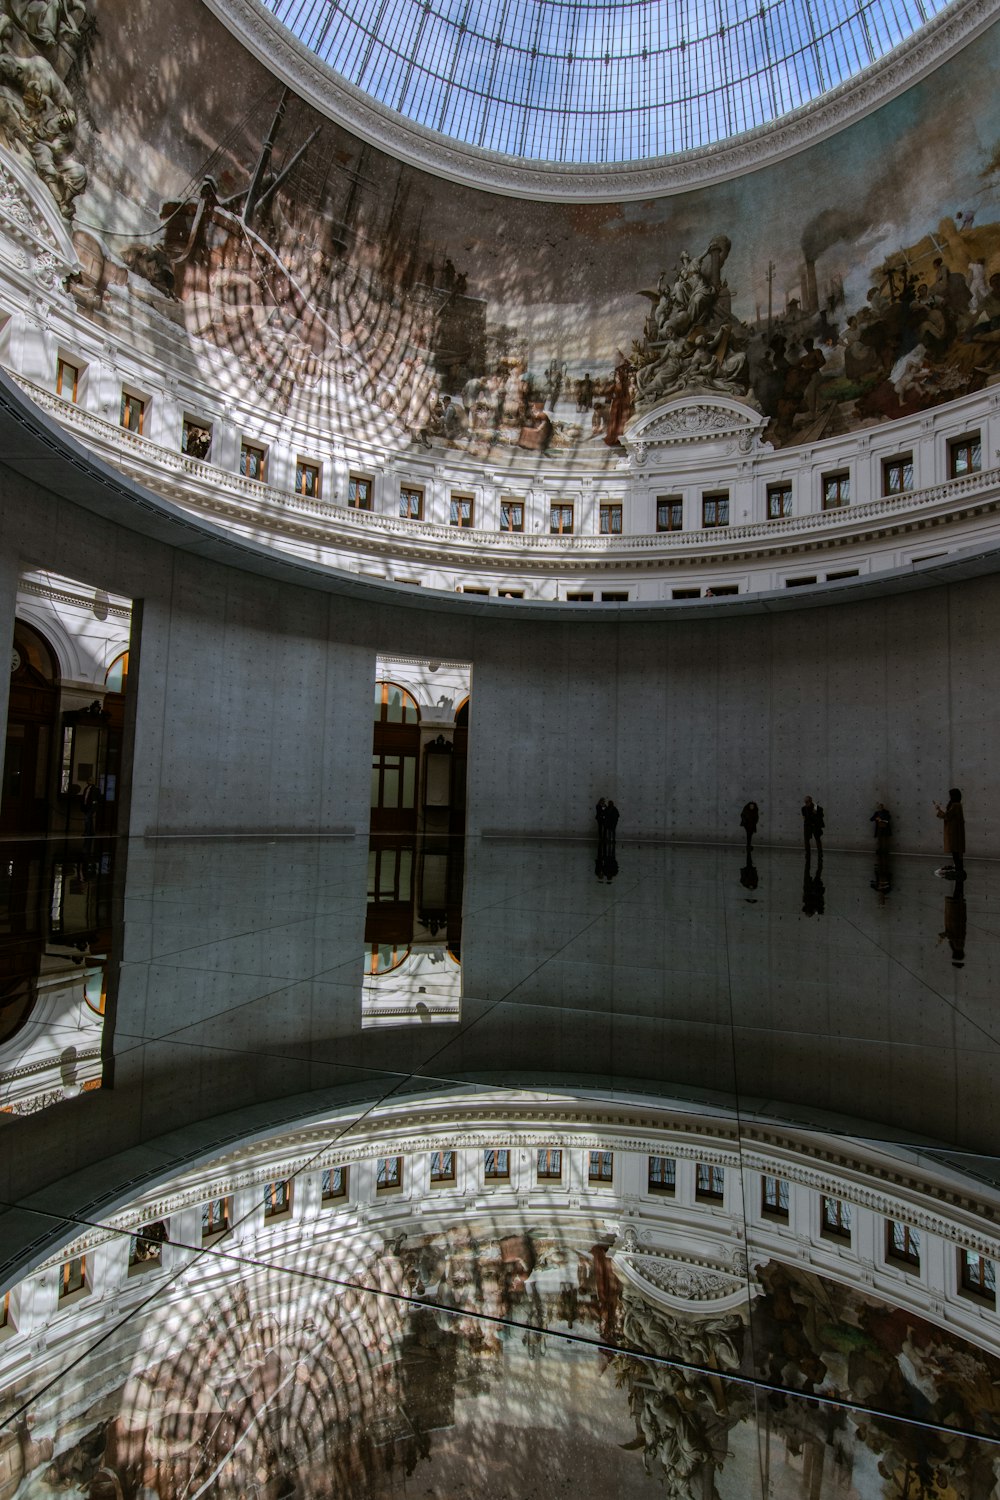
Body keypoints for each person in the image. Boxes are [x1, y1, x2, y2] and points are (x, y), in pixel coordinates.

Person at [933, 788, 965, 879]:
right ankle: (958, 869)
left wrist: (938, 810)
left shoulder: (955, 805)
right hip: (955, 832)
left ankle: (958, 870)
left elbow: (947, 816)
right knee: (956, 851)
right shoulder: (957, 805)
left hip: (954, 833)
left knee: (955, 851)